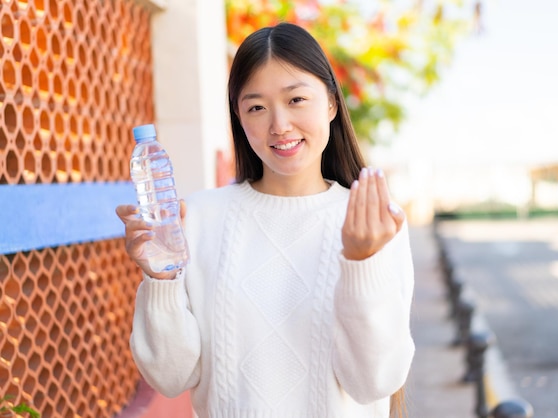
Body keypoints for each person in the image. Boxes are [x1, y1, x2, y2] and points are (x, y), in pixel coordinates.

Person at [116, 22, 415, 418]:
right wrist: (161, 279)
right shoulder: (198, 219)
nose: (279, 125)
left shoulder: (373, 222)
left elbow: (373, 383)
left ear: (330, 103)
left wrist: (361, 262)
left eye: (296, 100)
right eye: (256, 107)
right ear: (239, 118)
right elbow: (171, 378)